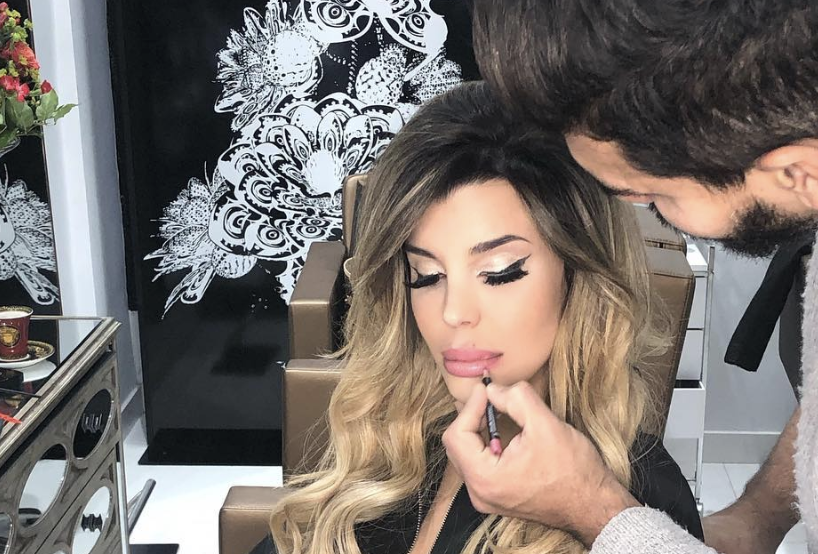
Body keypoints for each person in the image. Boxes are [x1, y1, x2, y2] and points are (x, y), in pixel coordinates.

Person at [249, 81, 702, 554]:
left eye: (500, 272)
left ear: (578, 275)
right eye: (426, 275)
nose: (453, 312)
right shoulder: (391, 444)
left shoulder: (635, 499)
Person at [443, 1, 818, 552]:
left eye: (652, 196)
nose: (453, 311)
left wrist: (591, 508)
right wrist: (758, 518)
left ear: (799, 172)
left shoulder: (645, 476)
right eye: (423, 274)